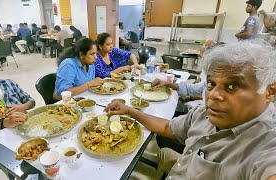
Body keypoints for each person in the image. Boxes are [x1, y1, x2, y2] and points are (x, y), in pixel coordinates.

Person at [104, 41, 276, 179]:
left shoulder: (266, 149)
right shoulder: (204, 113)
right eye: (211, 84)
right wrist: (128, 110)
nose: (213, 95)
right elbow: (166, 127)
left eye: (232, 86)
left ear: (269, 91)